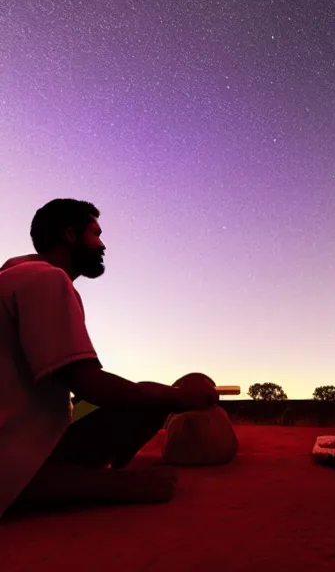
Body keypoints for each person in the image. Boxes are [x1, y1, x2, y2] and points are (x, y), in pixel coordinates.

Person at [0, 198, 219, 518]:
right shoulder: (45, 280)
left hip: (20, 429)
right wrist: (179, 397)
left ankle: (87, 473)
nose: (102, 244)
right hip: (11, 450)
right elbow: (90, 385)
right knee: (150, 397)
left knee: (143, 392)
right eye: (95, 233)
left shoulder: (14, 277)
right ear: (70, 235)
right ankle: (87, 482)